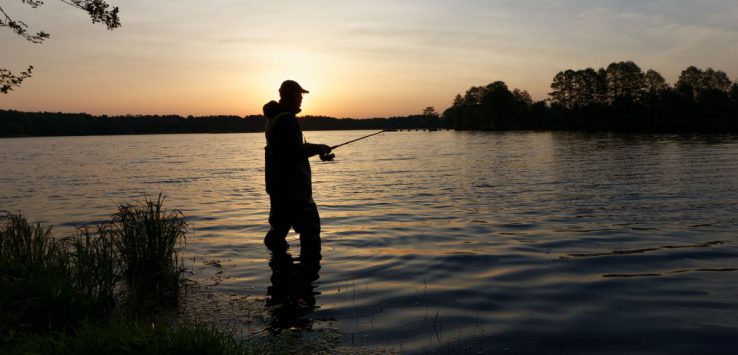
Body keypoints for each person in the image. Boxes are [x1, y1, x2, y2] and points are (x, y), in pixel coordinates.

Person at [263, 80, 331, 270]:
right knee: (310, 233)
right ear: (290, 95)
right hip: (295, 191)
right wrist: (319, 148)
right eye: (299, 95)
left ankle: (279, 273)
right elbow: (295, 151)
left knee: (277, 232)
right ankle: (308, 281)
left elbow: (287, 151)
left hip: (278, 189)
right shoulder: (287, 119)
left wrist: (315, 151)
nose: (301, 98)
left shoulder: (273, 117)